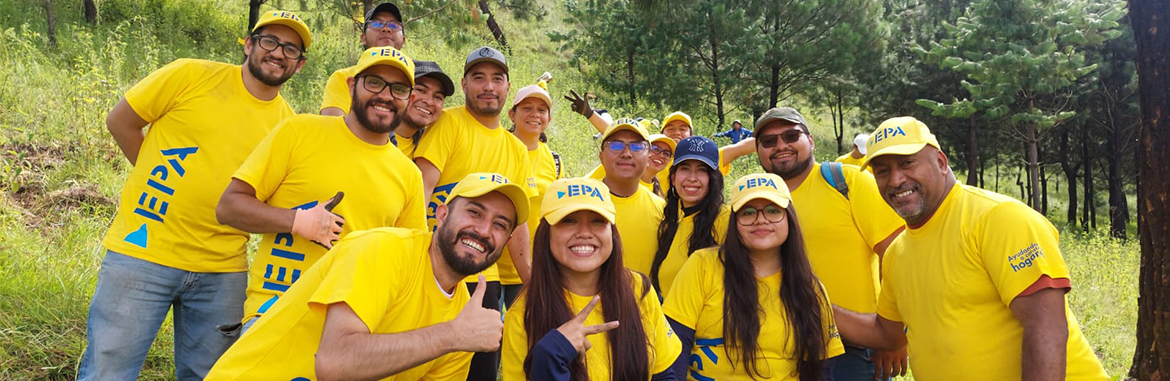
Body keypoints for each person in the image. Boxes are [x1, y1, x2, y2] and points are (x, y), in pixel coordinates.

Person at [79, 11, 311, 380]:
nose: (279, 53)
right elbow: (120, 121)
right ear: (249, 44)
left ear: (299, 66)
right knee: (109, 370)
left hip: (222, 270)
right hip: (143, 250)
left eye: (292, 49)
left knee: (210, 375)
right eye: (270, 41)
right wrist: (157, 176)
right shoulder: (190, 75)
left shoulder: (290, 127)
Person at [833, 117, 1110, 380]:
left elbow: (1045, 328)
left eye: (908, 163)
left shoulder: (997, 218)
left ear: (941, 162)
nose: (895, 180)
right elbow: (888, 335)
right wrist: (816, 302)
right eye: (882, 171)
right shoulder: (897, 253)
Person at [204, 173, 530, 381]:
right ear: (442, 214)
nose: (484, 230)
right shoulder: (382, 249)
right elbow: (335, 364)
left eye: (500, 225)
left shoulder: (464, 318)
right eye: (474, 212)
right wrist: (451, 336)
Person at [215, 46, 426, 333]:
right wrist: (298, 222)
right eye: (374, 82)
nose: (386, 95)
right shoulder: (300, 132)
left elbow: (408, 267)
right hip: (274, 315)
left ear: (410, 99)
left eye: (398, 89)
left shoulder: (409, 175)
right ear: (352, 86)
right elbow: (229, 207)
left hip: (349, 332)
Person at [753, 107, 907, 380]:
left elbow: (897, 254)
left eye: (791, 135)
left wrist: (893, 335)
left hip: (854, 349)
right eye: (769, 141)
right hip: (778, 346)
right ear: (758, 151)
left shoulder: (847, 182)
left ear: (810, 141)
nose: (781, 146)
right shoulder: (754, 204)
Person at [413, 45, 536, 378]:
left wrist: (535, 283)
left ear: (508, 88)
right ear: (465, 84)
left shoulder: (516, 149)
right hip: (433, 268)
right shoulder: (449, 123)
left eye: (497, 78)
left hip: (485, 278)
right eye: (478, 77)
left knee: (480, 370)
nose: (489, 86)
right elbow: (419, 189)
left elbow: (517, 228)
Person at [664, 173, 845, 380]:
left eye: (773, 211)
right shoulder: (702, 265)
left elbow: (820, 369)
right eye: (748, 213)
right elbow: (675, 346)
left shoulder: (810, 289)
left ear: (789, 219)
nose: (761, 220)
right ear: (734, 222)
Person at [501, 177, 681, 380]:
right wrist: (548, 358)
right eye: (568, 221)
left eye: (598, 221)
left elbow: (664, 373)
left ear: (612, 232)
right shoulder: (523, 314)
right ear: (546, 233)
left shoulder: (638, 289)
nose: (584, 233)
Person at [651, 136, 731, 296]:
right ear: (673, 178)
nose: (692, 178)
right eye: (685, 169)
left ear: (713, 179)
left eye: (702, 170)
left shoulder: (726, 220)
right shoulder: (672, 219)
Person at [507, 80, 562, 307]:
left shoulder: (553, 159)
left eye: (541, 110)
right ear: (512, 114)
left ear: (548, 119)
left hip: (535, 266)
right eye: (527, 108)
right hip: (490, 265)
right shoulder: (499, 147)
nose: (534, 115)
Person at [595, 119, 667, 277]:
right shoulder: (582, 203)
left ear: (648, 157)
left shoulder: (662, 210)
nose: (626, 153)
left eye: (636, 146)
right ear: (601, 156)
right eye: (616, 145)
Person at [320, 2, 406, 116]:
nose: (386, 29)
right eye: (377, 24)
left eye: (394, 25)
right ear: (363, 38)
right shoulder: (344, 78)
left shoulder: (417, 82)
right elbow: (331, 125)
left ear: (404, 41)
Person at [393, 59, 455, 157]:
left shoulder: (429, 147)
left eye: (437, 97)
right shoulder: (370, 135)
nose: (429, 102)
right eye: (421, 90)